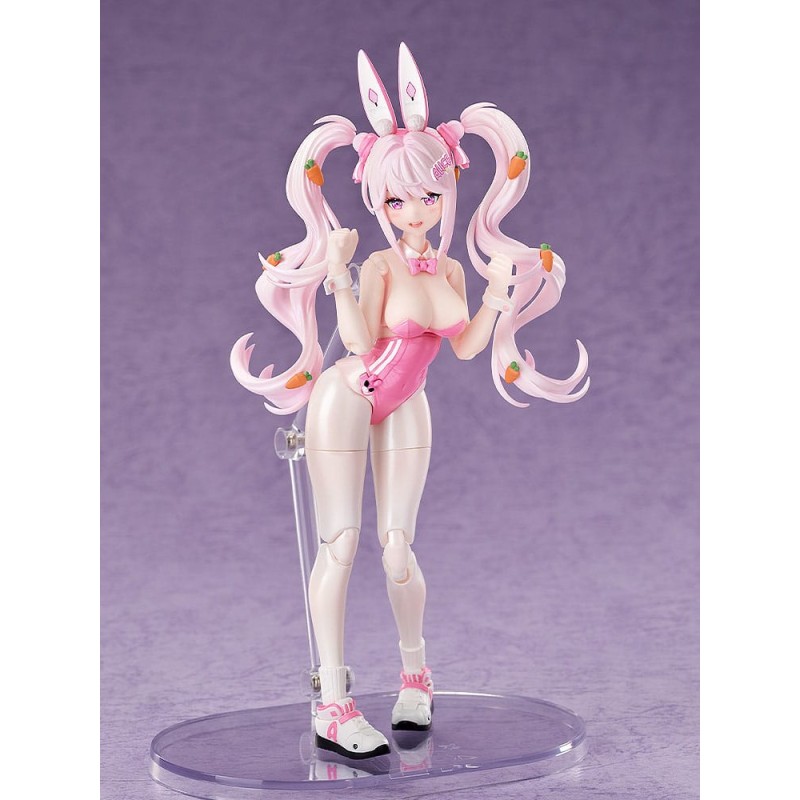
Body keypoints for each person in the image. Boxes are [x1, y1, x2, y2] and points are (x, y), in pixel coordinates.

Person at [231, 43, 589, 760]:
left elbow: (465, 347)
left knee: (398, 547)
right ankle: (333, 703)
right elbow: (361, 343)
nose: (414, 211)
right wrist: (338, 271)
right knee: (340, 544)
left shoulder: (449, 268)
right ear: (378, 202)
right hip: (350, 394)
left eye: (427, 194)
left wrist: (500, 296)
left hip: (408, 400)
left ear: (448, 190)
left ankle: (416, 677)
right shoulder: (378, 264)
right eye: (397, 200)